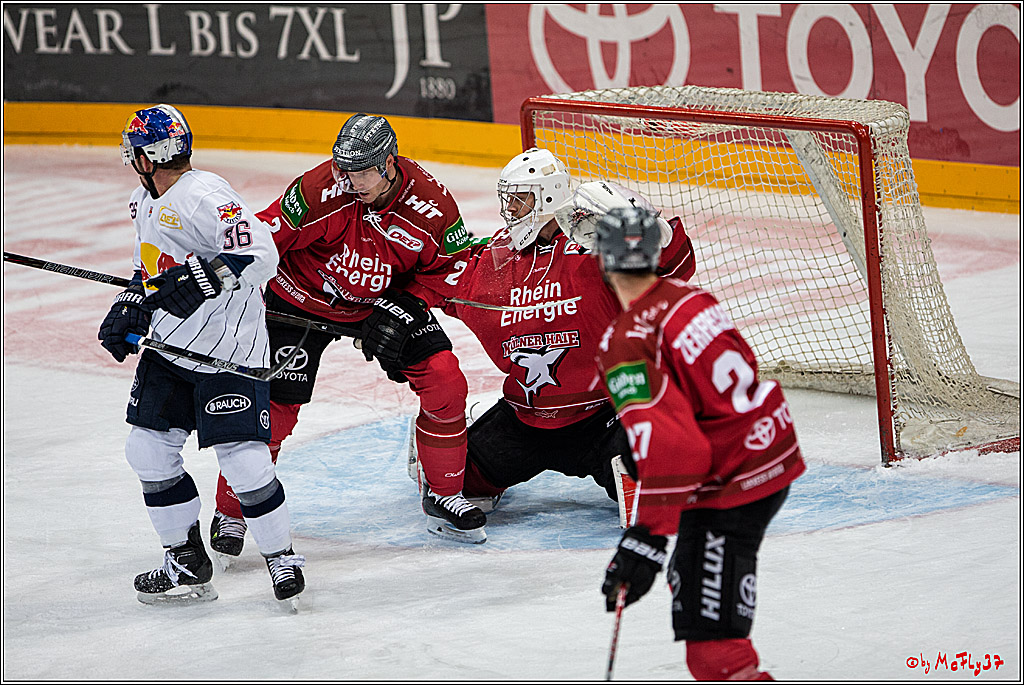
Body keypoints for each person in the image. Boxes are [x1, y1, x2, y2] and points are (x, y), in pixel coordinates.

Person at [209, 113, 487, 546]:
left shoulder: (432, 206)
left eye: (362, 172)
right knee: (275, 413)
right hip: (297, 300)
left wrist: (408, 304)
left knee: (445, 379)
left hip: (376, 306)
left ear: (389, 163)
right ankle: (232, 512)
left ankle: (445, 491)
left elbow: (450, 267)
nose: (351, 180)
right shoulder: (319, 189)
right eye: (345, 168)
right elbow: (263, 236)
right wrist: (215, 274)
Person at [98, 104, 305, 604]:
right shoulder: (144, 201)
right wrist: (132, 305)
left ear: (148, 156)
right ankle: (185, 559)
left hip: (229, 354)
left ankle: (281, 557)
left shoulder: (205, 196)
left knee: (245, 461)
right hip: (170, 349)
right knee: (146, 450)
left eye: (134, 154)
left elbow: (260, 256)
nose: (131, 162)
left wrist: (201, 276)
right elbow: (148, 268)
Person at [592, 206, 806, 680]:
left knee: (715, 654)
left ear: (603, 260)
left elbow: (680, 451)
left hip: (733, 482)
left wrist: (645, 540)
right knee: (693, 586)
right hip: (771, 453)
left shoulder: (625, 341)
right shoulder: (693, 299)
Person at [425, 148, 696, 522]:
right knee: (451, 479)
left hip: (604, 414)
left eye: (519, 201)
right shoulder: (493, 258)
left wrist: (647, 225)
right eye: (510, 201)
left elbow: (675, 268)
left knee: (660, 494)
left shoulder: (595, 250)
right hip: (525, 420)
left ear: (547, 198)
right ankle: (477, 428)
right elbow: (436, 281)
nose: (510, 212)